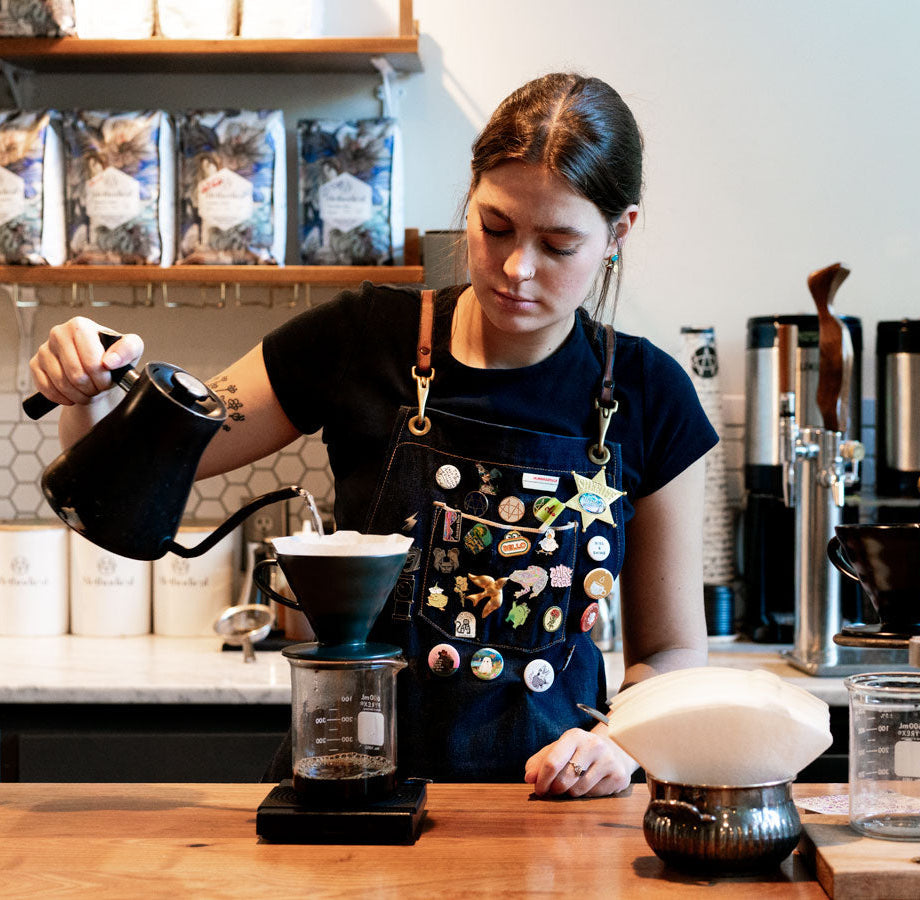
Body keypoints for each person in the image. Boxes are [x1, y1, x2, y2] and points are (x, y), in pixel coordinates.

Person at [29, 72, 717, 798]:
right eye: (495, 228)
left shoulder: (649, 395)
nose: (517, 268)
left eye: (557, 244)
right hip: (349, 791)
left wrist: (617, 743)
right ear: (472, 196)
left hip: (548, 808)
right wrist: (90, 385)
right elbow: (131, 475)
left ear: (618, 233)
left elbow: (670, 652)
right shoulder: (363, 337)